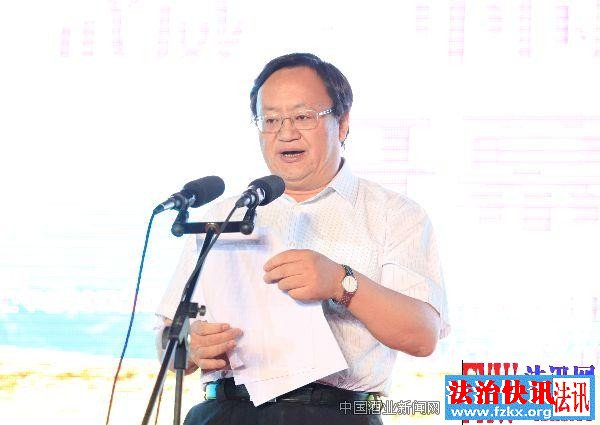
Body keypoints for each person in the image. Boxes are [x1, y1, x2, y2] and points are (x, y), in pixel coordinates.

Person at [156, 52, 449, 425]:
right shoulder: (224, 216)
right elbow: (167, 341)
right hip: (223, 413)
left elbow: (422, 337)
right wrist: (192, 345)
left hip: (336, 414)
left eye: (303, 117)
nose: (285, 132)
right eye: (270, 120)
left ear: (342, 124)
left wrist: (342, 283)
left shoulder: (394, 214)